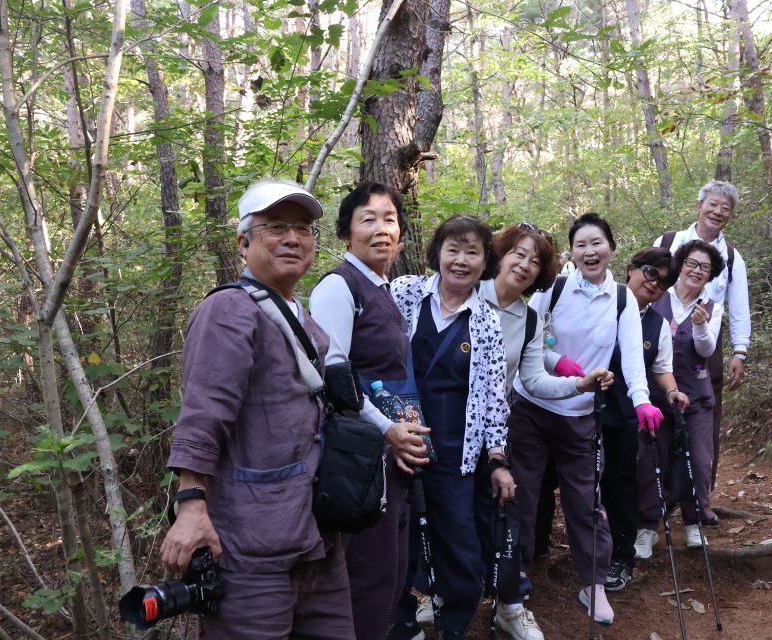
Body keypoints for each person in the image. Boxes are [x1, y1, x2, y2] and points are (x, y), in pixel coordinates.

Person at [161, 180, 354, 638]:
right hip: (252, 549)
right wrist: (190, 505)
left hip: (317, 543)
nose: (293, 238)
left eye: (304, 229)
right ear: (243, 241)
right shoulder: (229, 310)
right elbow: (205, 411)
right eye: (276, 227)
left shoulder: (300, 316)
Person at [505, 213, 664, 624]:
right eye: (581, 245)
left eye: (597, 243)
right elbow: (529, 339)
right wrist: (558, 362)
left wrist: (643, 401)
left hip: (581, 415)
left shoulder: (623, 299)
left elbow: (632, 358)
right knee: (522, 492)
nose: (590, 252)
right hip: (532, 405)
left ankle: (593, 583)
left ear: (611, 248)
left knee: (585, 501)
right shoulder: (553, 288)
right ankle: (513, 575)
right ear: (572, 252)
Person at [478, 222, 614, 640]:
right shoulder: (464, 292)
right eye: (518, 254)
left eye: (535, 261)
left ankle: (521, 597)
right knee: (480, 505)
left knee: (551, 500)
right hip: (473, 421)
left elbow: (533, 375)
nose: (525, 265)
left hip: (519, 421)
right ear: (499, 254)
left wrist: (580, 384)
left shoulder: (530, 316)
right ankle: (439, 594)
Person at [309, 182, 430, 640]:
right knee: (367, 574)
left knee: (393, 573)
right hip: (359, 461)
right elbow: (332, 377)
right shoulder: (339, 287)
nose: (382, 228)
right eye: (368, 219)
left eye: (390, 219)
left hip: (388, 458)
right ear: (346, 234)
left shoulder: (383, 289)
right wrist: (386, 431)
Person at [387, 215, 512, 640]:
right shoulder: (405, 293)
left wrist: (496, 457)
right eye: (452, 249)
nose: (461, 260)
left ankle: (454, 619)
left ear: (485, 262)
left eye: (472, 252)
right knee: (393, 535)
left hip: (455, 445)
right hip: (394, 435)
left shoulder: (487, 322)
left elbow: (495, 397)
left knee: (458, 538)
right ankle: (401, 620)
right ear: (437, 253)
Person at [600, 247, 690, 590]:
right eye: (651, 272)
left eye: (665, 282)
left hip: (624, 413)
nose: (655, 284)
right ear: (632, 269)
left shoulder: (657, 324)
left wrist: (671, 392)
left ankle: (620, 559)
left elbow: (661, 368)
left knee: (620, 481)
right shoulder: (599, 304)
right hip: (577, 409)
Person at [654, 180, 750, 488]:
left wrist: (739, 351)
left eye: (725, 208)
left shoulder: (732, 258)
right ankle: (660, 498)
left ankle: (700, 498)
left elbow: (738, 308)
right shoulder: (670, 241)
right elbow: (648, 286)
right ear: (699, 206)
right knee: (659, 413)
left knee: (705, 420)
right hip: (660, 339)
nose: (717, 212)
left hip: (706, 346)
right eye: (712, 204)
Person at [641, 240, 724, 549]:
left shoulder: (712, 307)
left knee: (699, 461)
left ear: (710, 274)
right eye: (692, 263)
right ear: (680, 264)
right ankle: (648, 525)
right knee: (651, 459)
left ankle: (694, 520)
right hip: (654, 395)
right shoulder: (657, 298)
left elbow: (706, 349)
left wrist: (701, 327)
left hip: (696, 394)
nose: (697, 271)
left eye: (705, 267)